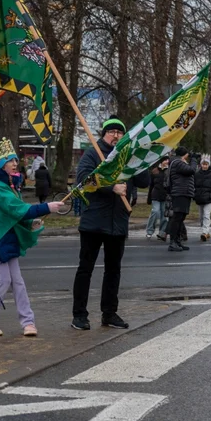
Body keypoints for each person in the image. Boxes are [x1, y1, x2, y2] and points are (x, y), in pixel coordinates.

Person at [0, 139, 64, 337]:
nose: (15, 163)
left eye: (15, 159)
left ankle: (28, 322)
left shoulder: (7, 186)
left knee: (17, 282)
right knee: (4, 280)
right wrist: (47, 207)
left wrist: (31, 223)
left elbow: (13, 215)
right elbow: (16, 209)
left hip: (5, 238)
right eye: (10, 160)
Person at [71, 117, 149, 330]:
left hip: (118, 222)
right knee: (85, 269)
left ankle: (109, 313)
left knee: (113, 270)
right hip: (94, 222)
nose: (115, 135)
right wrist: (110, 187)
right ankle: (79, 315)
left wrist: (140, 159)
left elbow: (144, 182)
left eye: (119, 132)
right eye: (111, 131)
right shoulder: (93, 154)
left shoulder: (127, 156)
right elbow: (82, 181)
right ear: (104, 134)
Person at [165, 147, 195, 251]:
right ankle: (173, 242)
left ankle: (177, 241)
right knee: (177, 218)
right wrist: (194, 159)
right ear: (184, 154)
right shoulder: (177, 162)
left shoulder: (178, 162)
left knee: (180, 218)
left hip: (184, 192)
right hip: (180, 192)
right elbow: (191, 170)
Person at [193, 154, 211, 241]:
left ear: (209, 165)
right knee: (201, 216)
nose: (205, 166)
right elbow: (194, 185)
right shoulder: (197, 174)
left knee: (206, 215)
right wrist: (195, 194)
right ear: (201, 165)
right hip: (199, 198)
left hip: (208, 199)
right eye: (203, 164)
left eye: (206, 164)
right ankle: (205, 230)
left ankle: (205, 231)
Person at [146, 156, 170, 241]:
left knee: (164, 215)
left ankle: (162, 232)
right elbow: (151, 185)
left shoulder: (169, 171)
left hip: (165, 196)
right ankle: (149, 231)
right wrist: (149, 198)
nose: (167, 161)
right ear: (161, 161)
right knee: (155, 212)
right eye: (165, 160)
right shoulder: (155, 171)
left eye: (168, 160)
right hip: (155, 195)